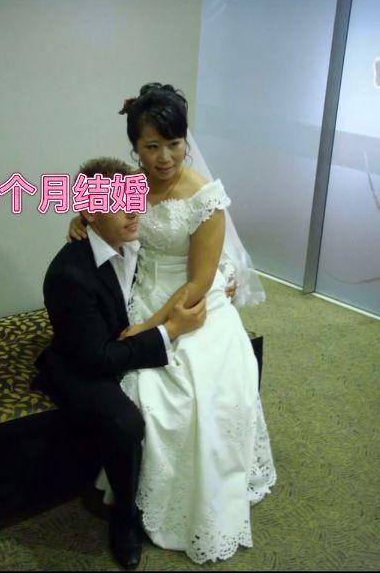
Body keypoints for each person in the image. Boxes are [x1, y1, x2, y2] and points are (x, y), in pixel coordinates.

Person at [69, 83, 276, 565]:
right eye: (151, 146)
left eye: (174, 144)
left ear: (186, 141)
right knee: (134, 388)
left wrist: (152, 328)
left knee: (190, 394)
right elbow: (97, 217)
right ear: (135, 148)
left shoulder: (207, 197)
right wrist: (79, 222)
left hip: (192, 304)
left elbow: (200, 281)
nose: (164, 158)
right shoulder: (128, 184)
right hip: (139, 291)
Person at [34, 157, 208, 570]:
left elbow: (188, 259)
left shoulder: (133, 238)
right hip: (83, 361)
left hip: (125, 341)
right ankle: (123, 520)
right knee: (126, 422)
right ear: (92, 213)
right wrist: (169, 331)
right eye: (119, 203)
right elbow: (99, 358)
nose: (133, 211)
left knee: (197, 384)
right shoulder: (69, 274)